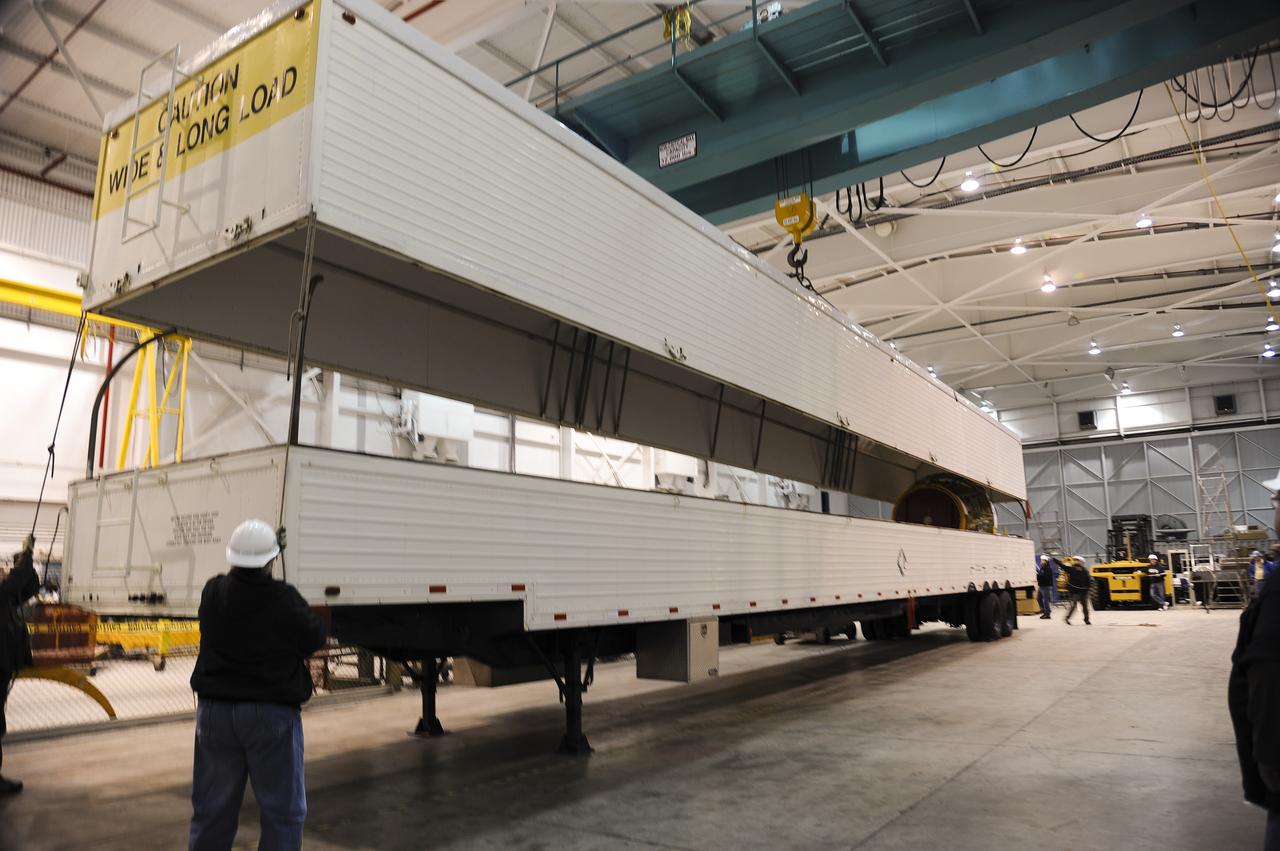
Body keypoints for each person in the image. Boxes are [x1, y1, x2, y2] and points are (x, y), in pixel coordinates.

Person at [189, 520, 326, 851]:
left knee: (212, 810)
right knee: (282, 811)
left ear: (232, 557)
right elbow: (314, 637)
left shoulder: (213, 591)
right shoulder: (283, 597)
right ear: (270, 560)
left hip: (215, 713)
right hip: (270, 713)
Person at [0, 535, 39, 795]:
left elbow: (28, 587)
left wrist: (24, 560)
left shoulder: (6, 599)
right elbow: (14, 584)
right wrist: (25, 555)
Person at [1064, 557, 1092, 626]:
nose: (1076, 561)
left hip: (1083, 592)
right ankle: (1067, 618)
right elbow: (1063, 567)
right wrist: (1055, 560)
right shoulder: (1072, 569)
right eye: (1075, 560)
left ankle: (1086, 619)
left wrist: (1088, 588)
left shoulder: (1084, 570)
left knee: (1085, 607)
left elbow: (1088, 580)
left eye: (1077, 560)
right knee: (1073, 605)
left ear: (1081, 562)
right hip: (1076, 592)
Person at [1036, 554, 1055, 619]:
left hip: (1046, 587)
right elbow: (1041, 576)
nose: (1041, 561)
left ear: (1046, 561)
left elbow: (1046, 578)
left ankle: (1047, 614)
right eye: (1041, 560)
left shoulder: (1048, 569)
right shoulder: (1042, 568)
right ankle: (1044, 611)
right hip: (1041, 586)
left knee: (1045, 601)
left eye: (1042, 560)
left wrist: (1039, 575)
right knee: (1038, 598)